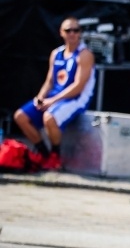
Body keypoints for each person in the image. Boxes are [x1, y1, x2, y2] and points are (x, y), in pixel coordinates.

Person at [13, 16, 96, 171]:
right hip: (55, 97)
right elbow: (50, 81)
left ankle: (55, 156)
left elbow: (78, 86)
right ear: (61, 33)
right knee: (21, 116)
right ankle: (43, 153)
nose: (72, 34)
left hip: (76, 99)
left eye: (76, 30)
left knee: (49, 117)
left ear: (80, 33)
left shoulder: (84, 55)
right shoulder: (56, 54)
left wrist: (52, 101)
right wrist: (41, 97)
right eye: (68, 30)